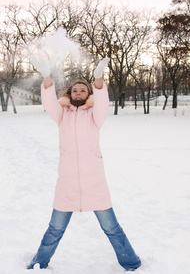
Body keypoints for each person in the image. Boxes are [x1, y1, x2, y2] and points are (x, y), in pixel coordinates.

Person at [27, 58, 141, 271]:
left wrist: (98, 77)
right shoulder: (62, 116)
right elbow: (50, 103)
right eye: (75, 90)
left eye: (83, 90)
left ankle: (132, 263)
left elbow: (103, 101)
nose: (78, 93)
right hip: (67, 185)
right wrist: (46, 77)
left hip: (94, 184)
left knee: (112, 228)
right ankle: (38, 264)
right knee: (54, 229)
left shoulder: (95, 116)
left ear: (89, 94)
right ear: (70, 94)